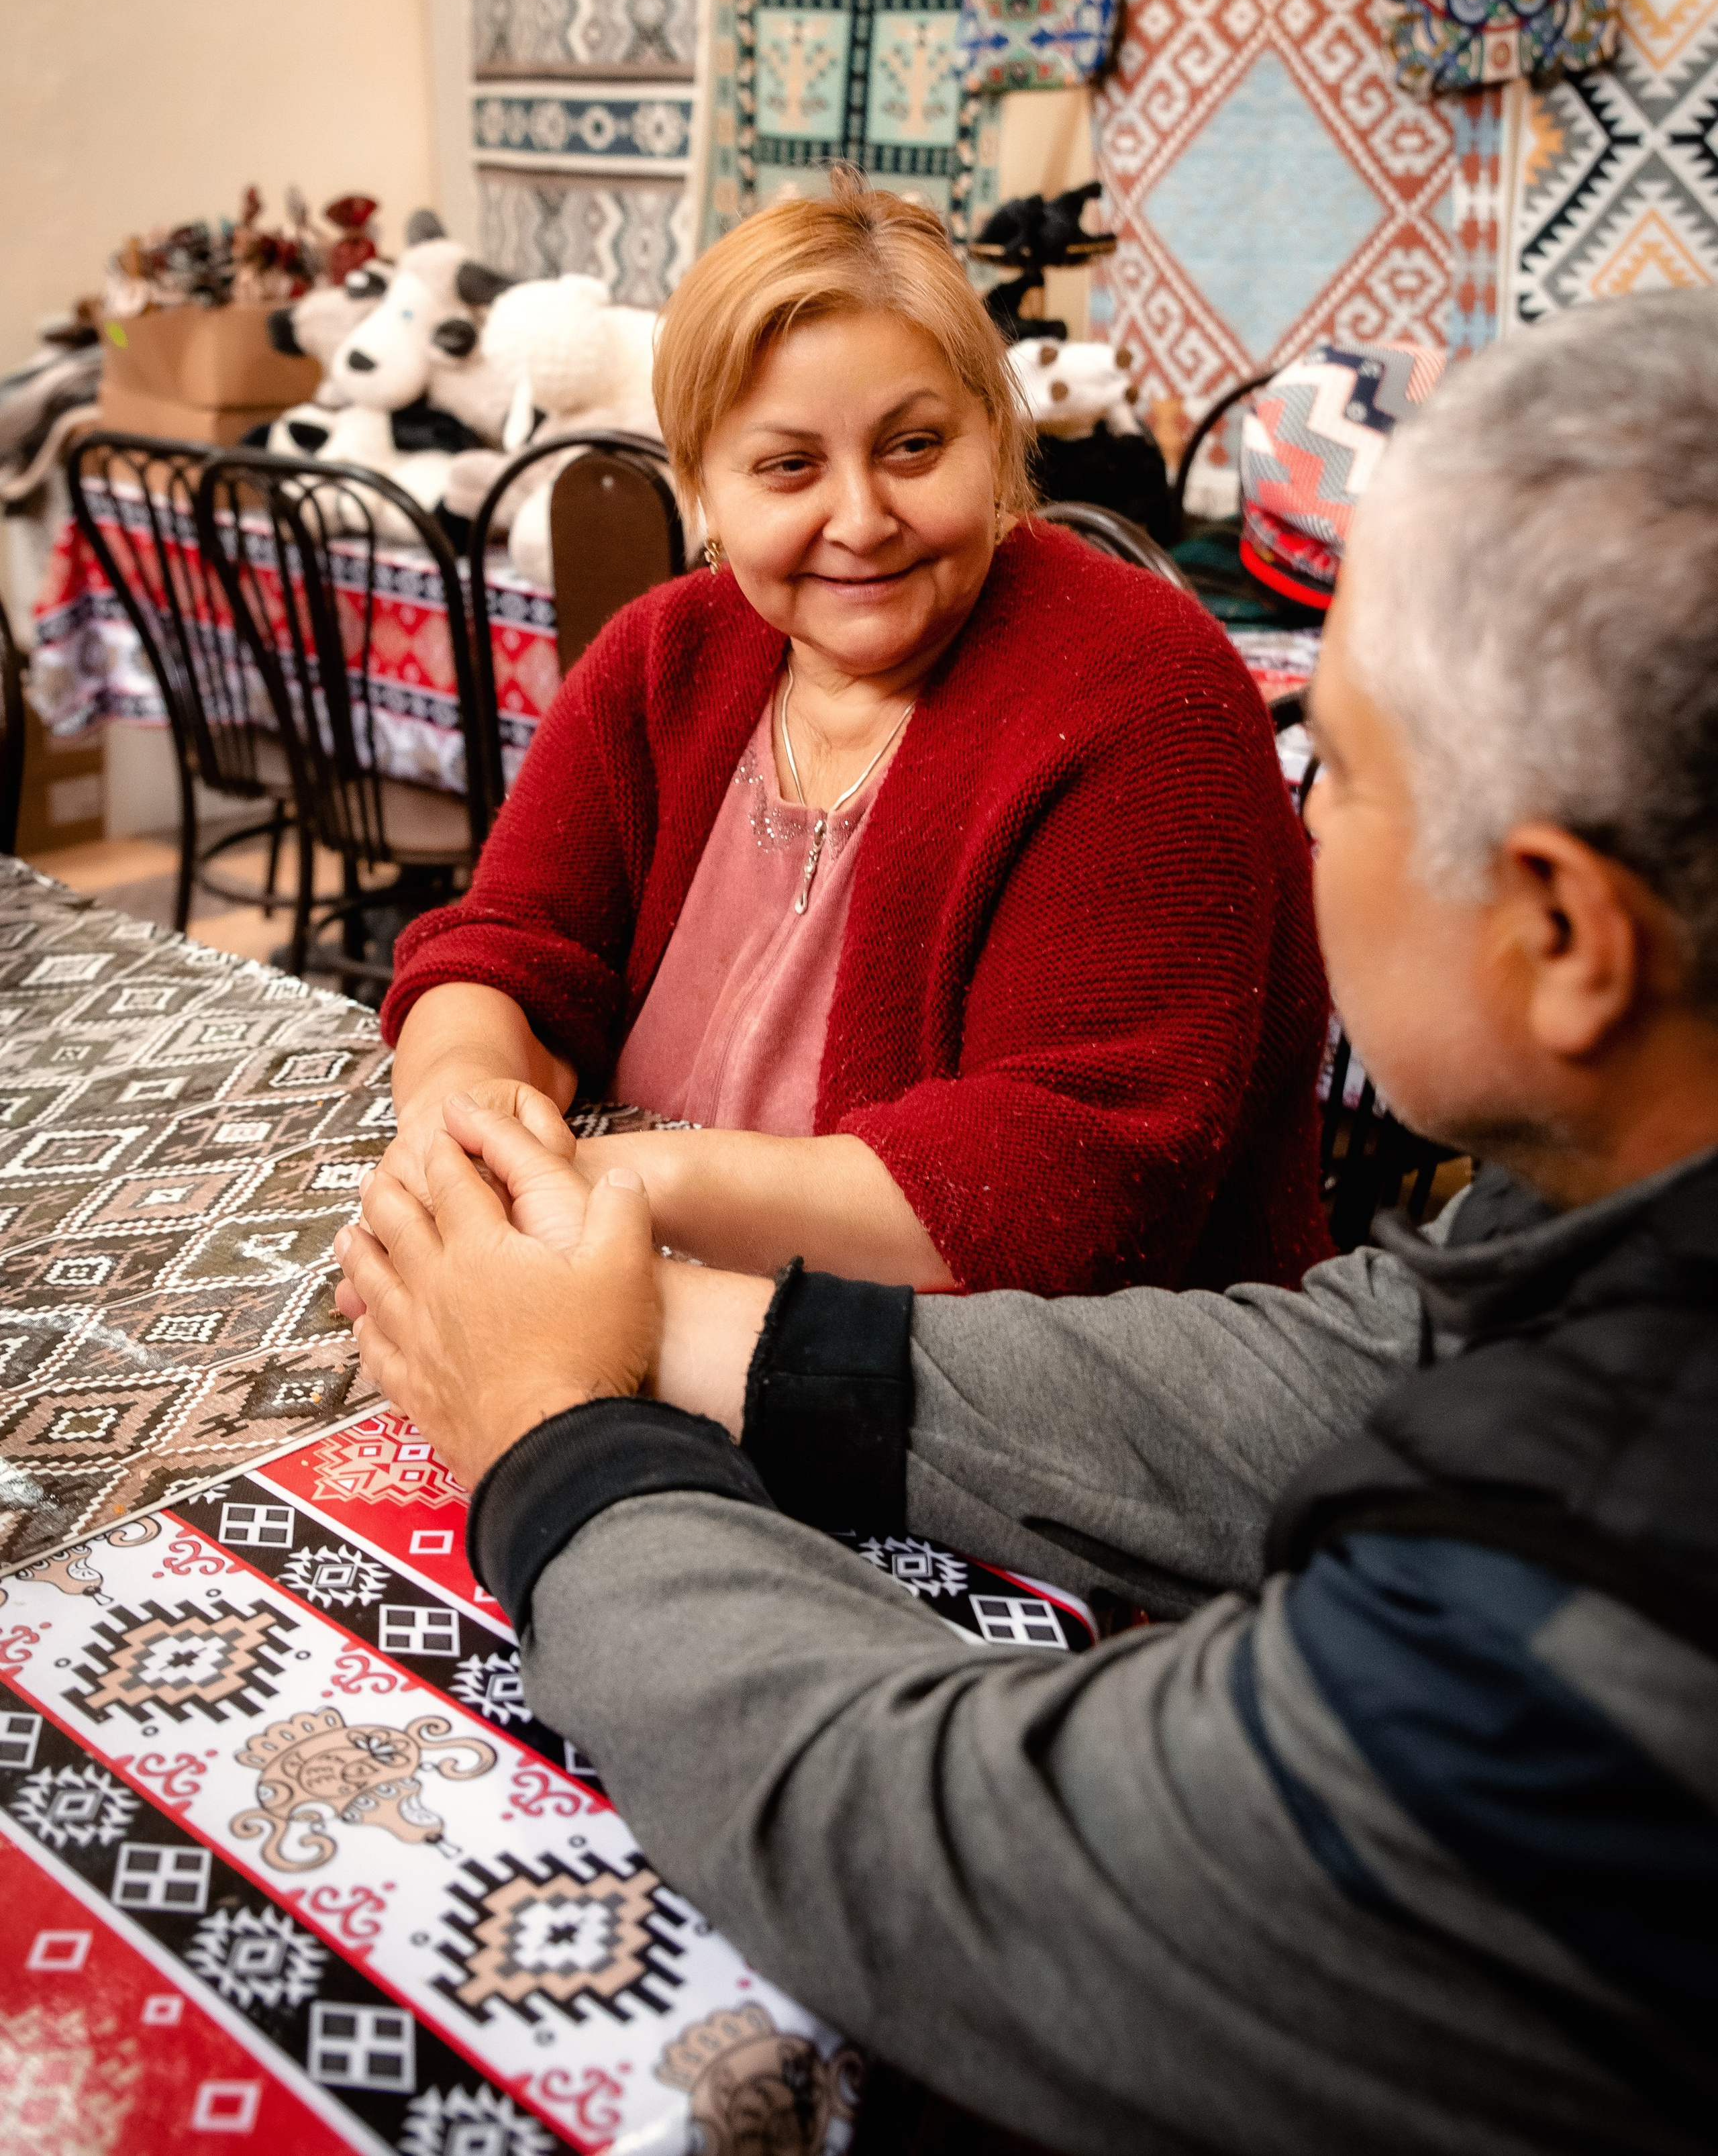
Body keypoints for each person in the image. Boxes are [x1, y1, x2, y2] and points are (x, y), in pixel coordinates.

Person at [338, 289, 1718, 2151]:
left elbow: (969, 1858)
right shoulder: (1584, 1234)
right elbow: (1376, 1357)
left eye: (1353, 774)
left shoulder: (1573, 1612)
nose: (1305, 827)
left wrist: (570, 1445)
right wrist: (664, 1329)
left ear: (1558, 933)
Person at [376, 170, 1330, 1297]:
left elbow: (1068, 1190)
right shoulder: (665, 657)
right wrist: (461, 1109)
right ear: (703, 490)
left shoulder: (1145, 695)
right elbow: (513, 948)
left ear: (997, 440)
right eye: (788, 466)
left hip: (1028, 1404)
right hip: (643, 1289)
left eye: (914, 447)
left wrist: (622, 1187)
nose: (863, 520)